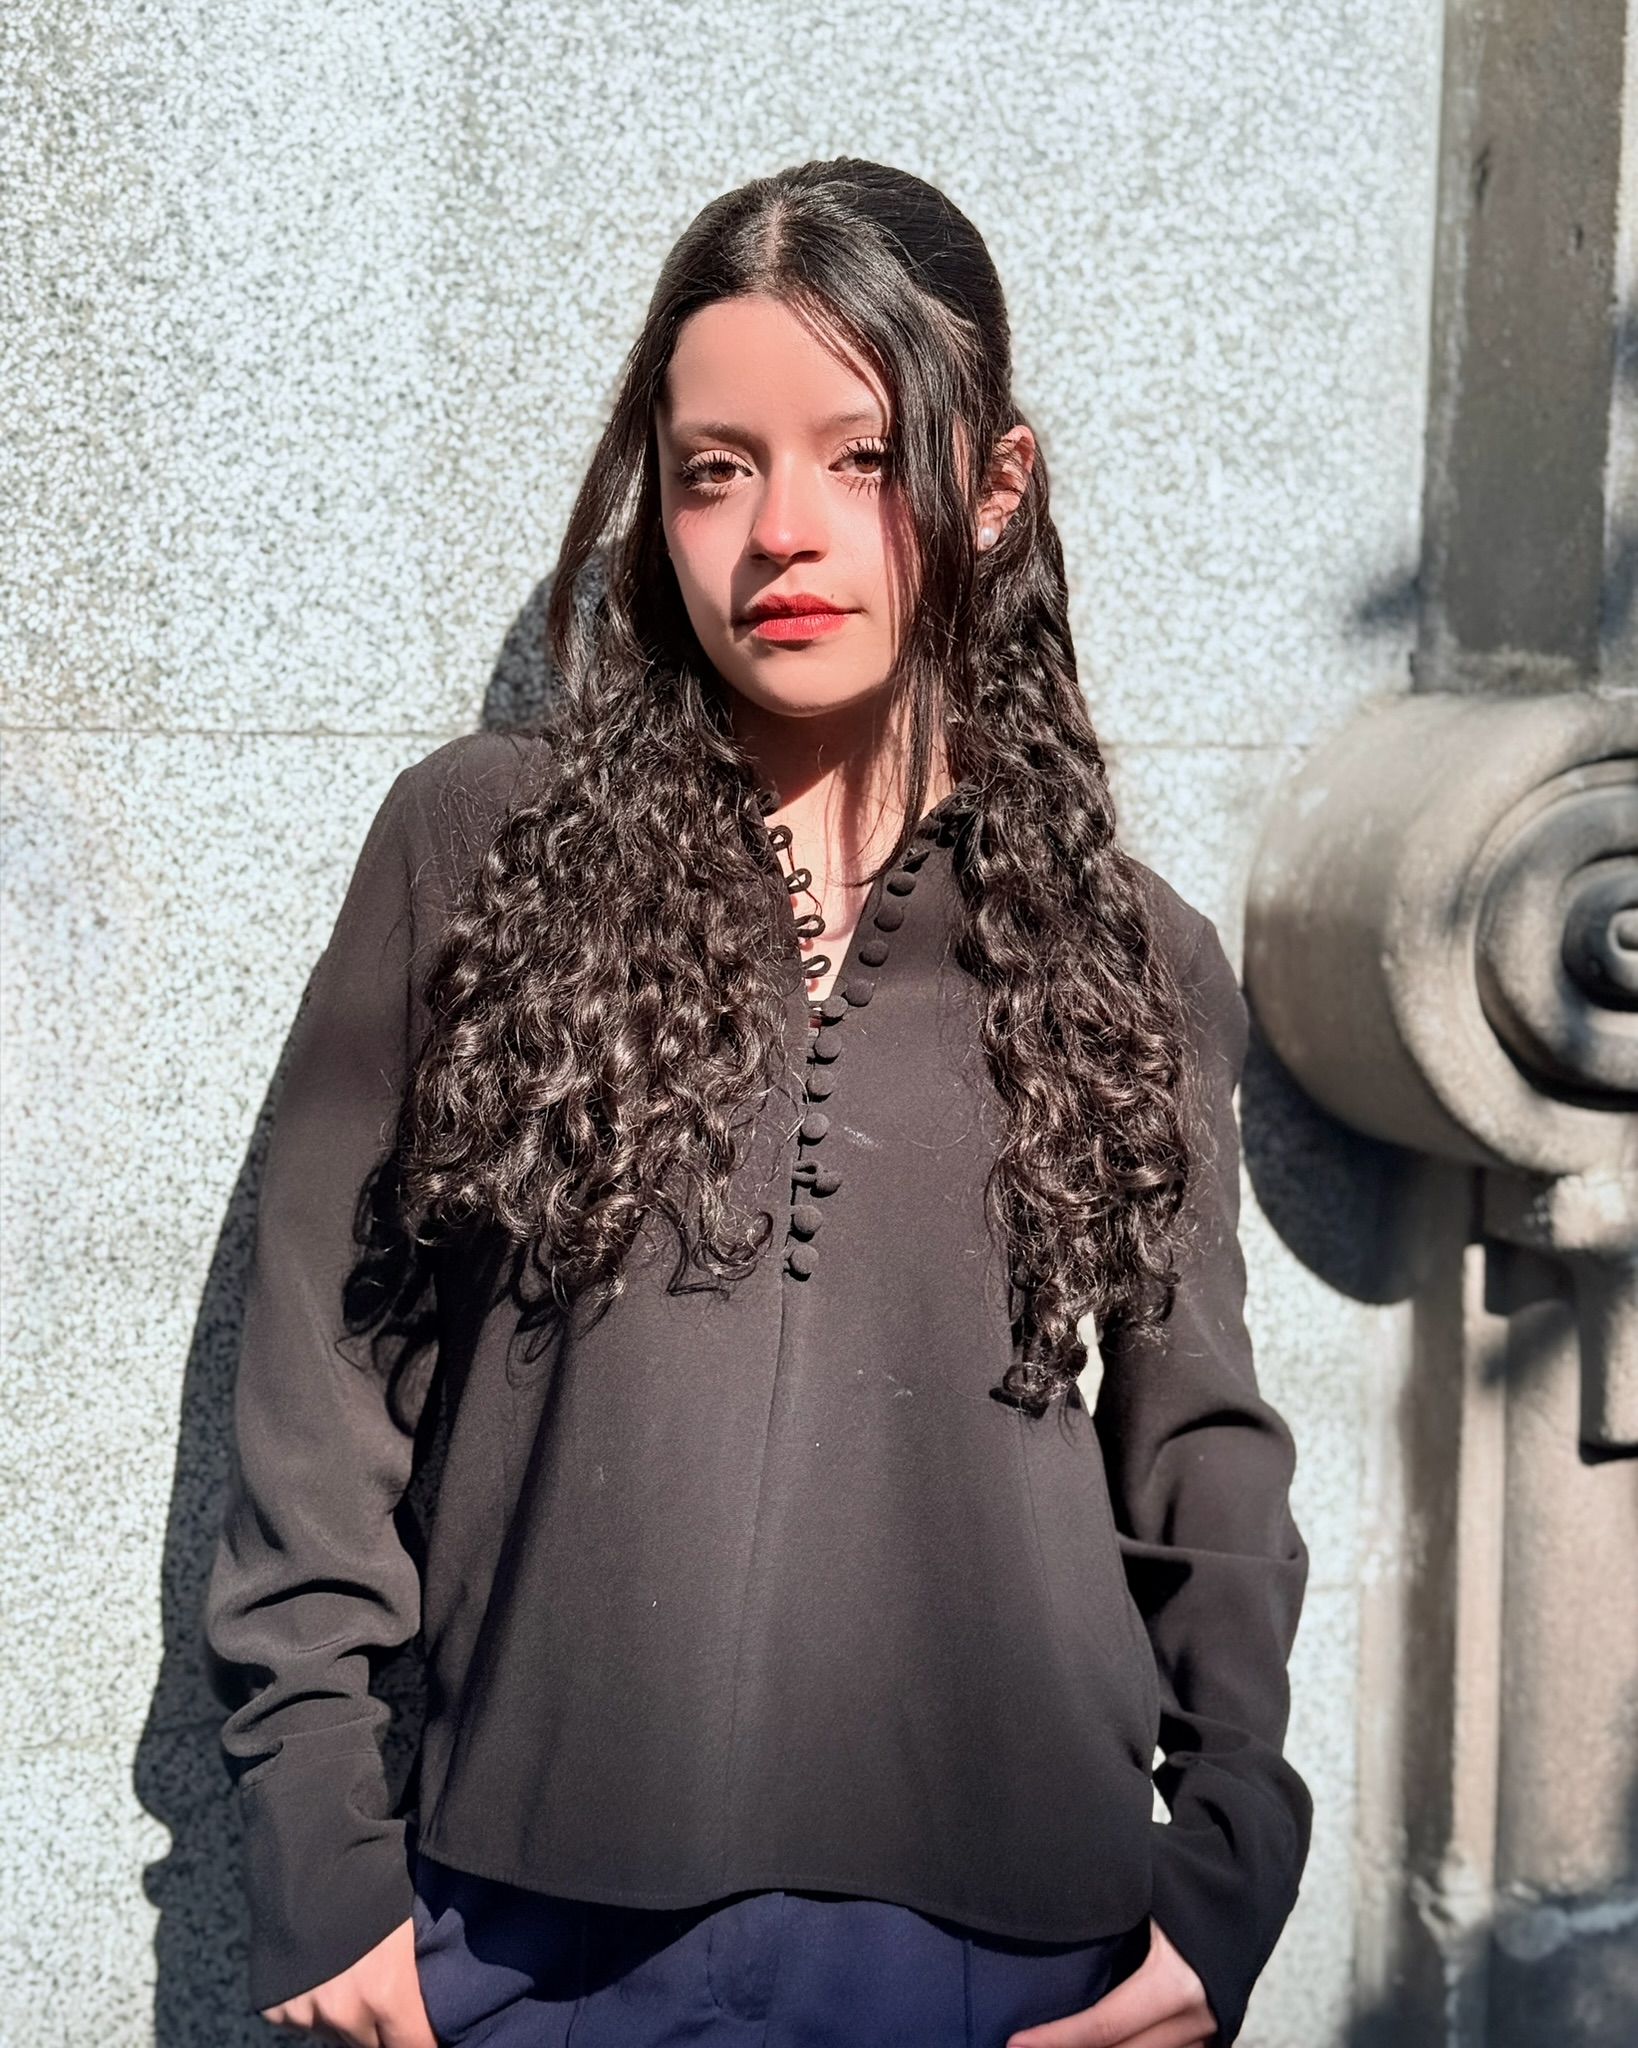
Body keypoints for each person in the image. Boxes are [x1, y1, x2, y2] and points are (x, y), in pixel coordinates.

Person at [206, 159, 1310, 2048]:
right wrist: (316, 1847)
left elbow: (1197, 1442)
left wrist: (1226, 1873)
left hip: (1012, 1958)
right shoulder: (476, 848)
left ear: (993, 484)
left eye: (860, 457)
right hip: (527, 1942)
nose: (779, 532)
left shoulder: (1133, 950)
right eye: (713, 468)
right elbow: (319, 1374)